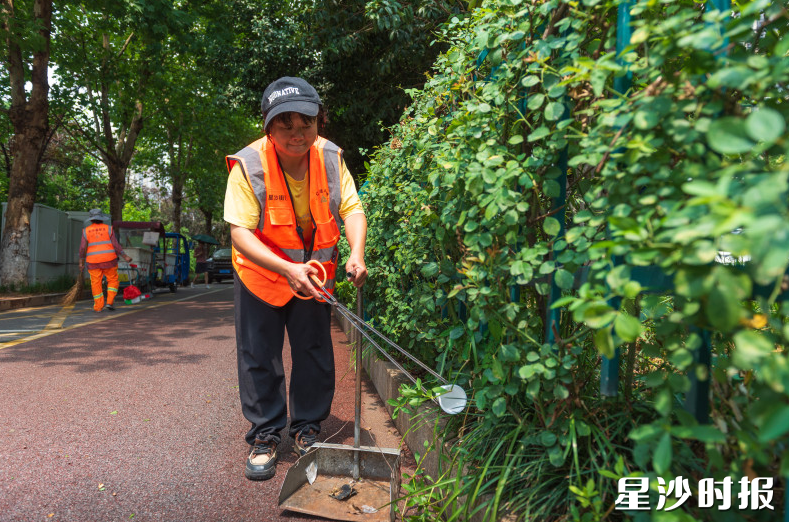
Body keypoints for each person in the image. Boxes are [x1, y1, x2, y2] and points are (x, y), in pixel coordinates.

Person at [223, 76, 368, 481]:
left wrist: (356, 254)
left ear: (318, 121)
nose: (297, 134)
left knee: (314, 353)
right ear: (268, 127)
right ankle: (265, 435)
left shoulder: (330, 157)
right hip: (260, 276)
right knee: (259, 357)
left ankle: (307, 429)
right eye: (285, 125)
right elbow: (239, 232)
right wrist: (286, 268)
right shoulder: (249, 163)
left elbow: (352, 209)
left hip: (315, 276)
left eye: (306, 123)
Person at [78, 209, 133, 313]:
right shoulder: (108, 229)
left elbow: (82, 248)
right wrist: (125, 256)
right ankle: (110, 302)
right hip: (109, 260)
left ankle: (98, 307)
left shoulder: (86, 231)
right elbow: (116, 245)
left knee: (96, 283)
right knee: (112, 280)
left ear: (91, 220)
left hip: (93, 262)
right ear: (102, 219)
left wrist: (81, 262)